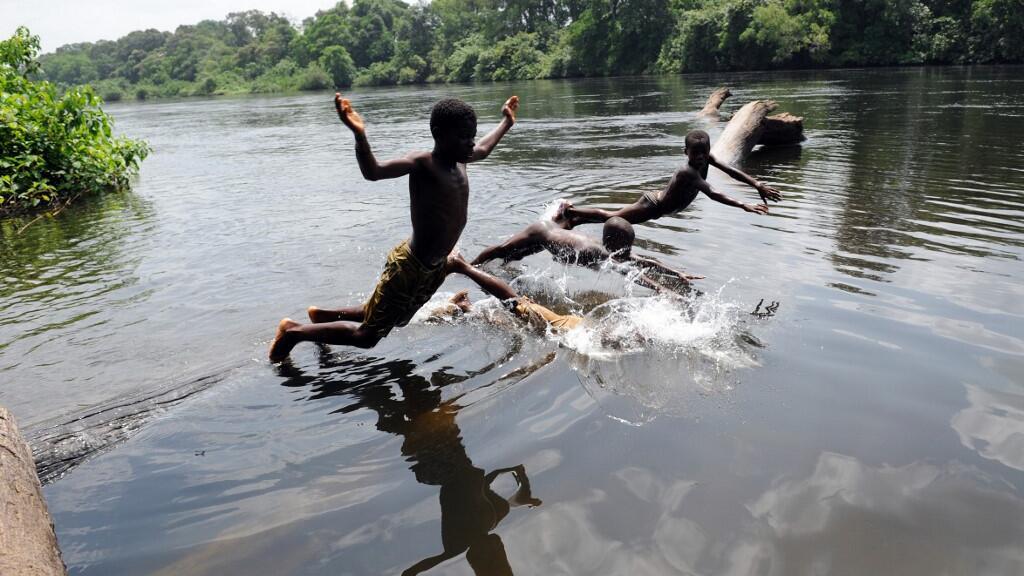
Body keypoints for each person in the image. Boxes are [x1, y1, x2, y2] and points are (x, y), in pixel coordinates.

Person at [269, 92, 519, 361]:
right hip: (409, 267)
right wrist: (359, 135)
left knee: (393, 316)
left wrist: (507, 122)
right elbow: (373, 172)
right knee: (367, 337)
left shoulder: (462, 159)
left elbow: (484, 148)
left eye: (471, 136)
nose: (470, 143)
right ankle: (293, 332)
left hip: (433, 266)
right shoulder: (423, 164)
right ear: (439, 134)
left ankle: (323, 317)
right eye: (462, 137)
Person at [562, 129, 781, 226]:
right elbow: (713, 193)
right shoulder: (688, 172)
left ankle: (574, 222)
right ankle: (569, 212)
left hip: (659, 208)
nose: (700, 158)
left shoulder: (708, 158)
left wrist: (757, 184)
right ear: (686, 152)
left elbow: (731, 171)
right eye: (695, 153)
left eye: (703, 153)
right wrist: (743, 205)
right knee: (612, 217)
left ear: (708, 151)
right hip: (652, 205)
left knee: (613, 218)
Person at [470, 214, 702, 291]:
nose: (628, 252)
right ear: (612, 244)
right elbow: (630, 273)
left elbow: (641, 261)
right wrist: (661, 289)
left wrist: (677, 274)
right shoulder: (597, 252)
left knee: (513, 259)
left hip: (551, 238)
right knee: (503, 251)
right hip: (540, 232)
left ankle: (488, 271)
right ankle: (471, 265)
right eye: (625, 247)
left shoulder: (609, 249)